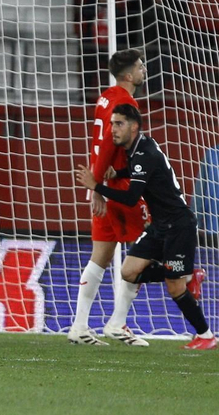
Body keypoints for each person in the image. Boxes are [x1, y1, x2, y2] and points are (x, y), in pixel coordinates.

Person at [73, 105, 214, 350]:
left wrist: (96, 186)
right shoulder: (138, 148)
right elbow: (139, 171)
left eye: (119, 124)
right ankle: (189, 273)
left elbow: (130, 197)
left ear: (134, 126)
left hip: (179, 225)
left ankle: (206, 335)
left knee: (175, 286)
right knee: (128, 272)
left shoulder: (144, 152)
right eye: (112, 124)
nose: (113, 129)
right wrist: (117, 171)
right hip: (160, 225)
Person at [68, 48, 153, 345]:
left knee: (100, 257)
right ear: (129, 75)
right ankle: (117, 322)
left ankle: (78, 326)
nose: (144, 70)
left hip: (105, 183)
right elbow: (107, 144)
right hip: (119, 187)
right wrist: (97, 187)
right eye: (141, 66)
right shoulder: (125, 103)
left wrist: (96, 185)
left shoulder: (105, 96)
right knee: (153, 244)